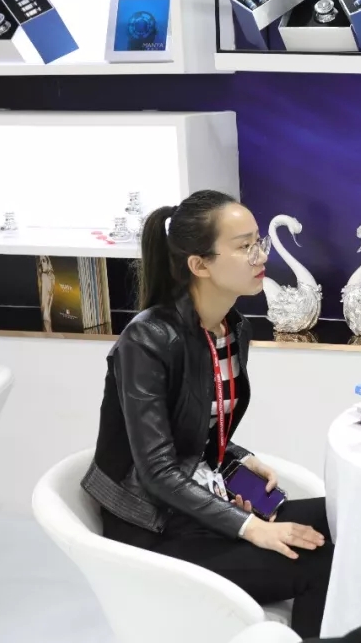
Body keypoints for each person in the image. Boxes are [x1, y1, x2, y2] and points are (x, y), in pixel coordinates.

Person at [80, 190, 334, 637]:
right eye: (244, 246)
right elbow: (156, 470)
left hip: (197, 502)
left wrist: (235, 456)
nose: (261, 256)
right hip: (154, 528)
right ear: (199, 265)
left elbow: (193, 419)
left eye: (259, 242)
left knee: (343, 518)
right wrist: (248, 526)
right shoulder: (147, 341)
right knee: (321, 562)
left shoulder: (233, 328)